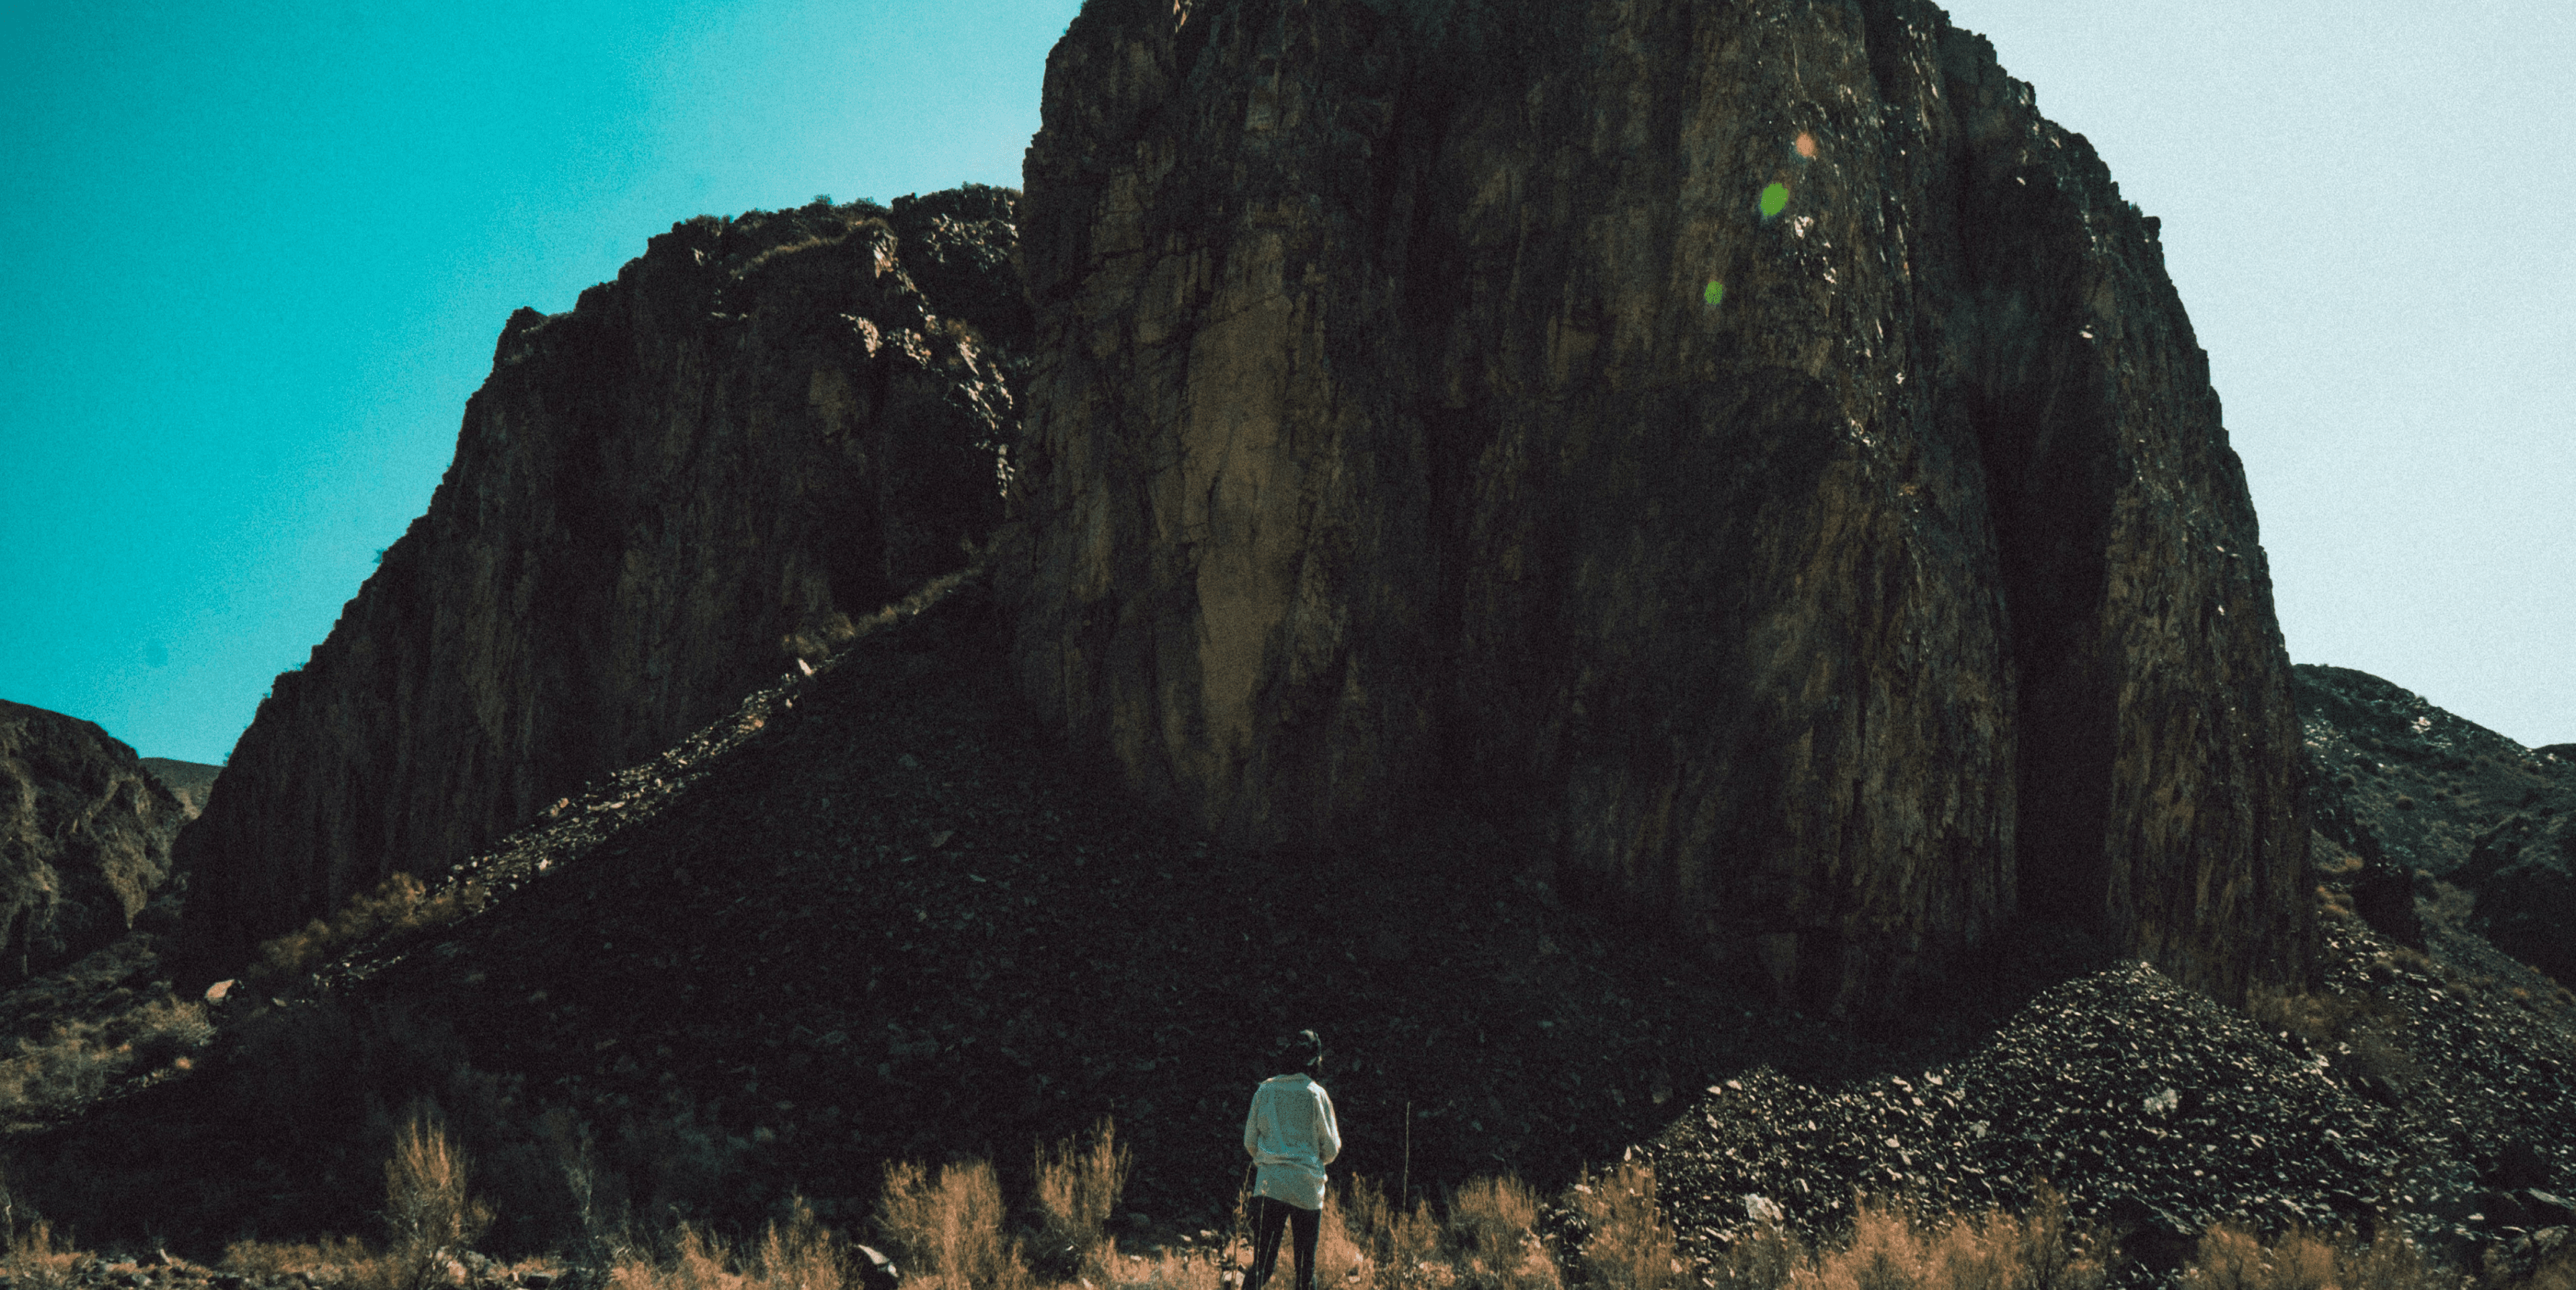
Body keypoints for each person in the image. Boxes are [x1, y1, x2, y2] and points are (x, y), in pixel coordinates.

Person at [1242, 1030, 1341, 1290]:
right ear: (1315, 1060)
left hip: (1270, 1185)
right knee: (1305, 1272)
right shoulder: (1316, 1094)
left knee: (1262, 1266)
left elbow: (1250, 1142)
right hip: (1306, 1188)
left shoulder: (1266, 1090)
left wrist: (1269, 1160)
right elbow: (1331, 1150)